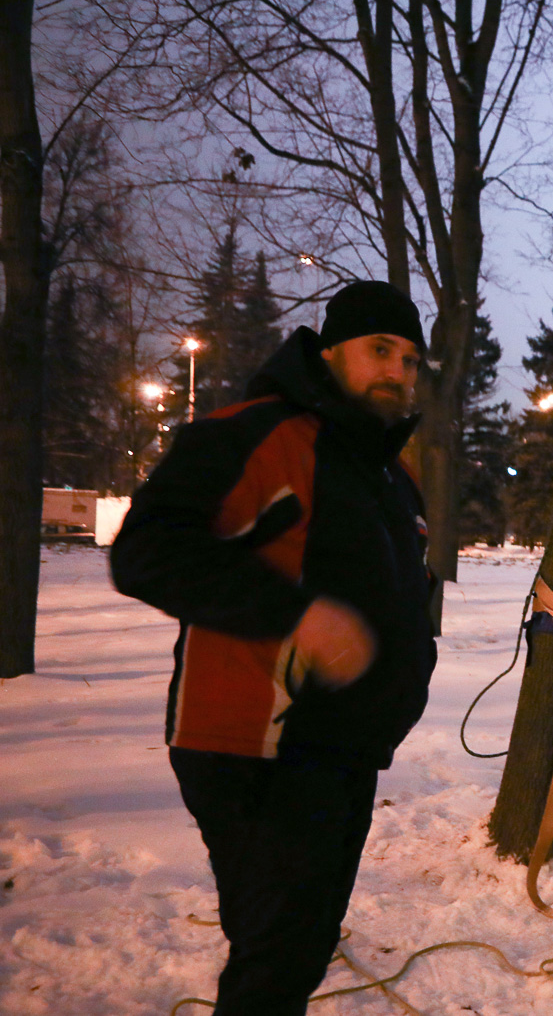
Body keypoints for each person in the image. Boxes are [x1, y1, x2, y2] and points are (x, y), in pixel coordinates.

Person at [110, 281, 438, 1016]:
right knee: (278, 956)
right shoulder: (258, 434)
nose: (398, 370)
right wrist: (296, 616)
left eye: (411, 358)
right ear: (328, 353)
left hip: (346, 750)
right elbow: (147, 549)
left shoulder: (391, 475)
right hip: (256, 747)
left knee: (298, 944)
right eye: (380, 349)